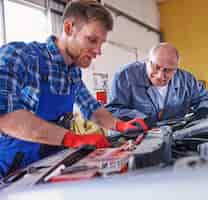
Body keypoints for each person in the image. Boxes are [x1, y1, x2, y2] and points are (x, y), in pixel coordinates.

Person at [0, 0, 148, 178]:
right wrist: (73, 138)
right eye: (92, 40)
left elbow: (91, 108)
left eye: (101, 43)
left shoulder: (73, 71)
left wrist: (119, 125)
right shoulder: (19, 56)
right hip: (9, 174)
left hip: (50, 167)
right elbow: (6, 117)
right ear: (69, 28)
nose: (98, 51)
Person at [106, 43, 208, 127]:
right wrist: (141, 118)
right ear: (148, 61)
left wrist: (203, 110)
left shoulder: (186, 80)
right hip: (133, 139)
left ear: (176, 69)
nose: (160, 75)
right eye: (156, 67)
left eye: (168, 70)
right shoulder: (125, 76)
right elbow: (112, 109)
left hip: (174, 138)